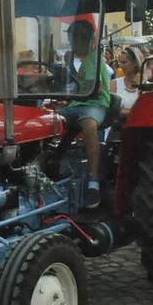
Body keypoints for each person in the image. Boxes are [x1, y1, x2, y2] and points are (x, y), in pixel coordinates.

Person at [59, 21, 109, 209]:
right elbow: (76, 83)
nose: (72, 44)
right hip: (78, 103)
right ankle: (53, 161)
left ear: (86, 40)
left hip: (95, 104)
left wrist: (72, 92)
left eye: (74, 40)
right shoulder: (85, 59)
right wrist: (69, 64)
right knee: (48, 117)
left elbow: (96, 89)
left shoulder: (95, 58)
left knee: (88, 124)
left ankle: (93, 182)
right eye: (70, 40)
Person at [110, 47, 143, 117]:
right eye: (120, 62)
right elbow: (110, 110)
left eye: (124, 62)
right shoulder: (114, 84)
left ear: (135, 63)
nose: (121, 66)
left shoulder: (146, 86)